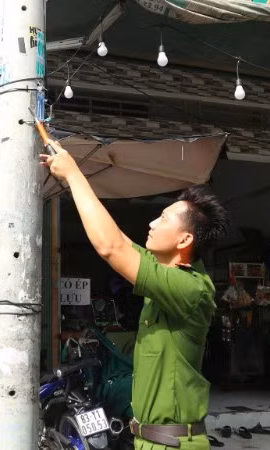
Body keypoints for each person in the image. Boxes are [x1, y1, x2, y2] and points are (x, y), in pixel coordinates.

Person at [41, 143, 229, 450]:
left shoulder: (191, 288)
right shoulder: (163, 276)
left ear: (185, 239)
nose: (152, 223)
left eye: (164, 219)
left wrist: (74, 175)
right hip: (147, 440)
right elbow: (121, 243)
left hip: (173, 445)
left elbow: (111, 247)